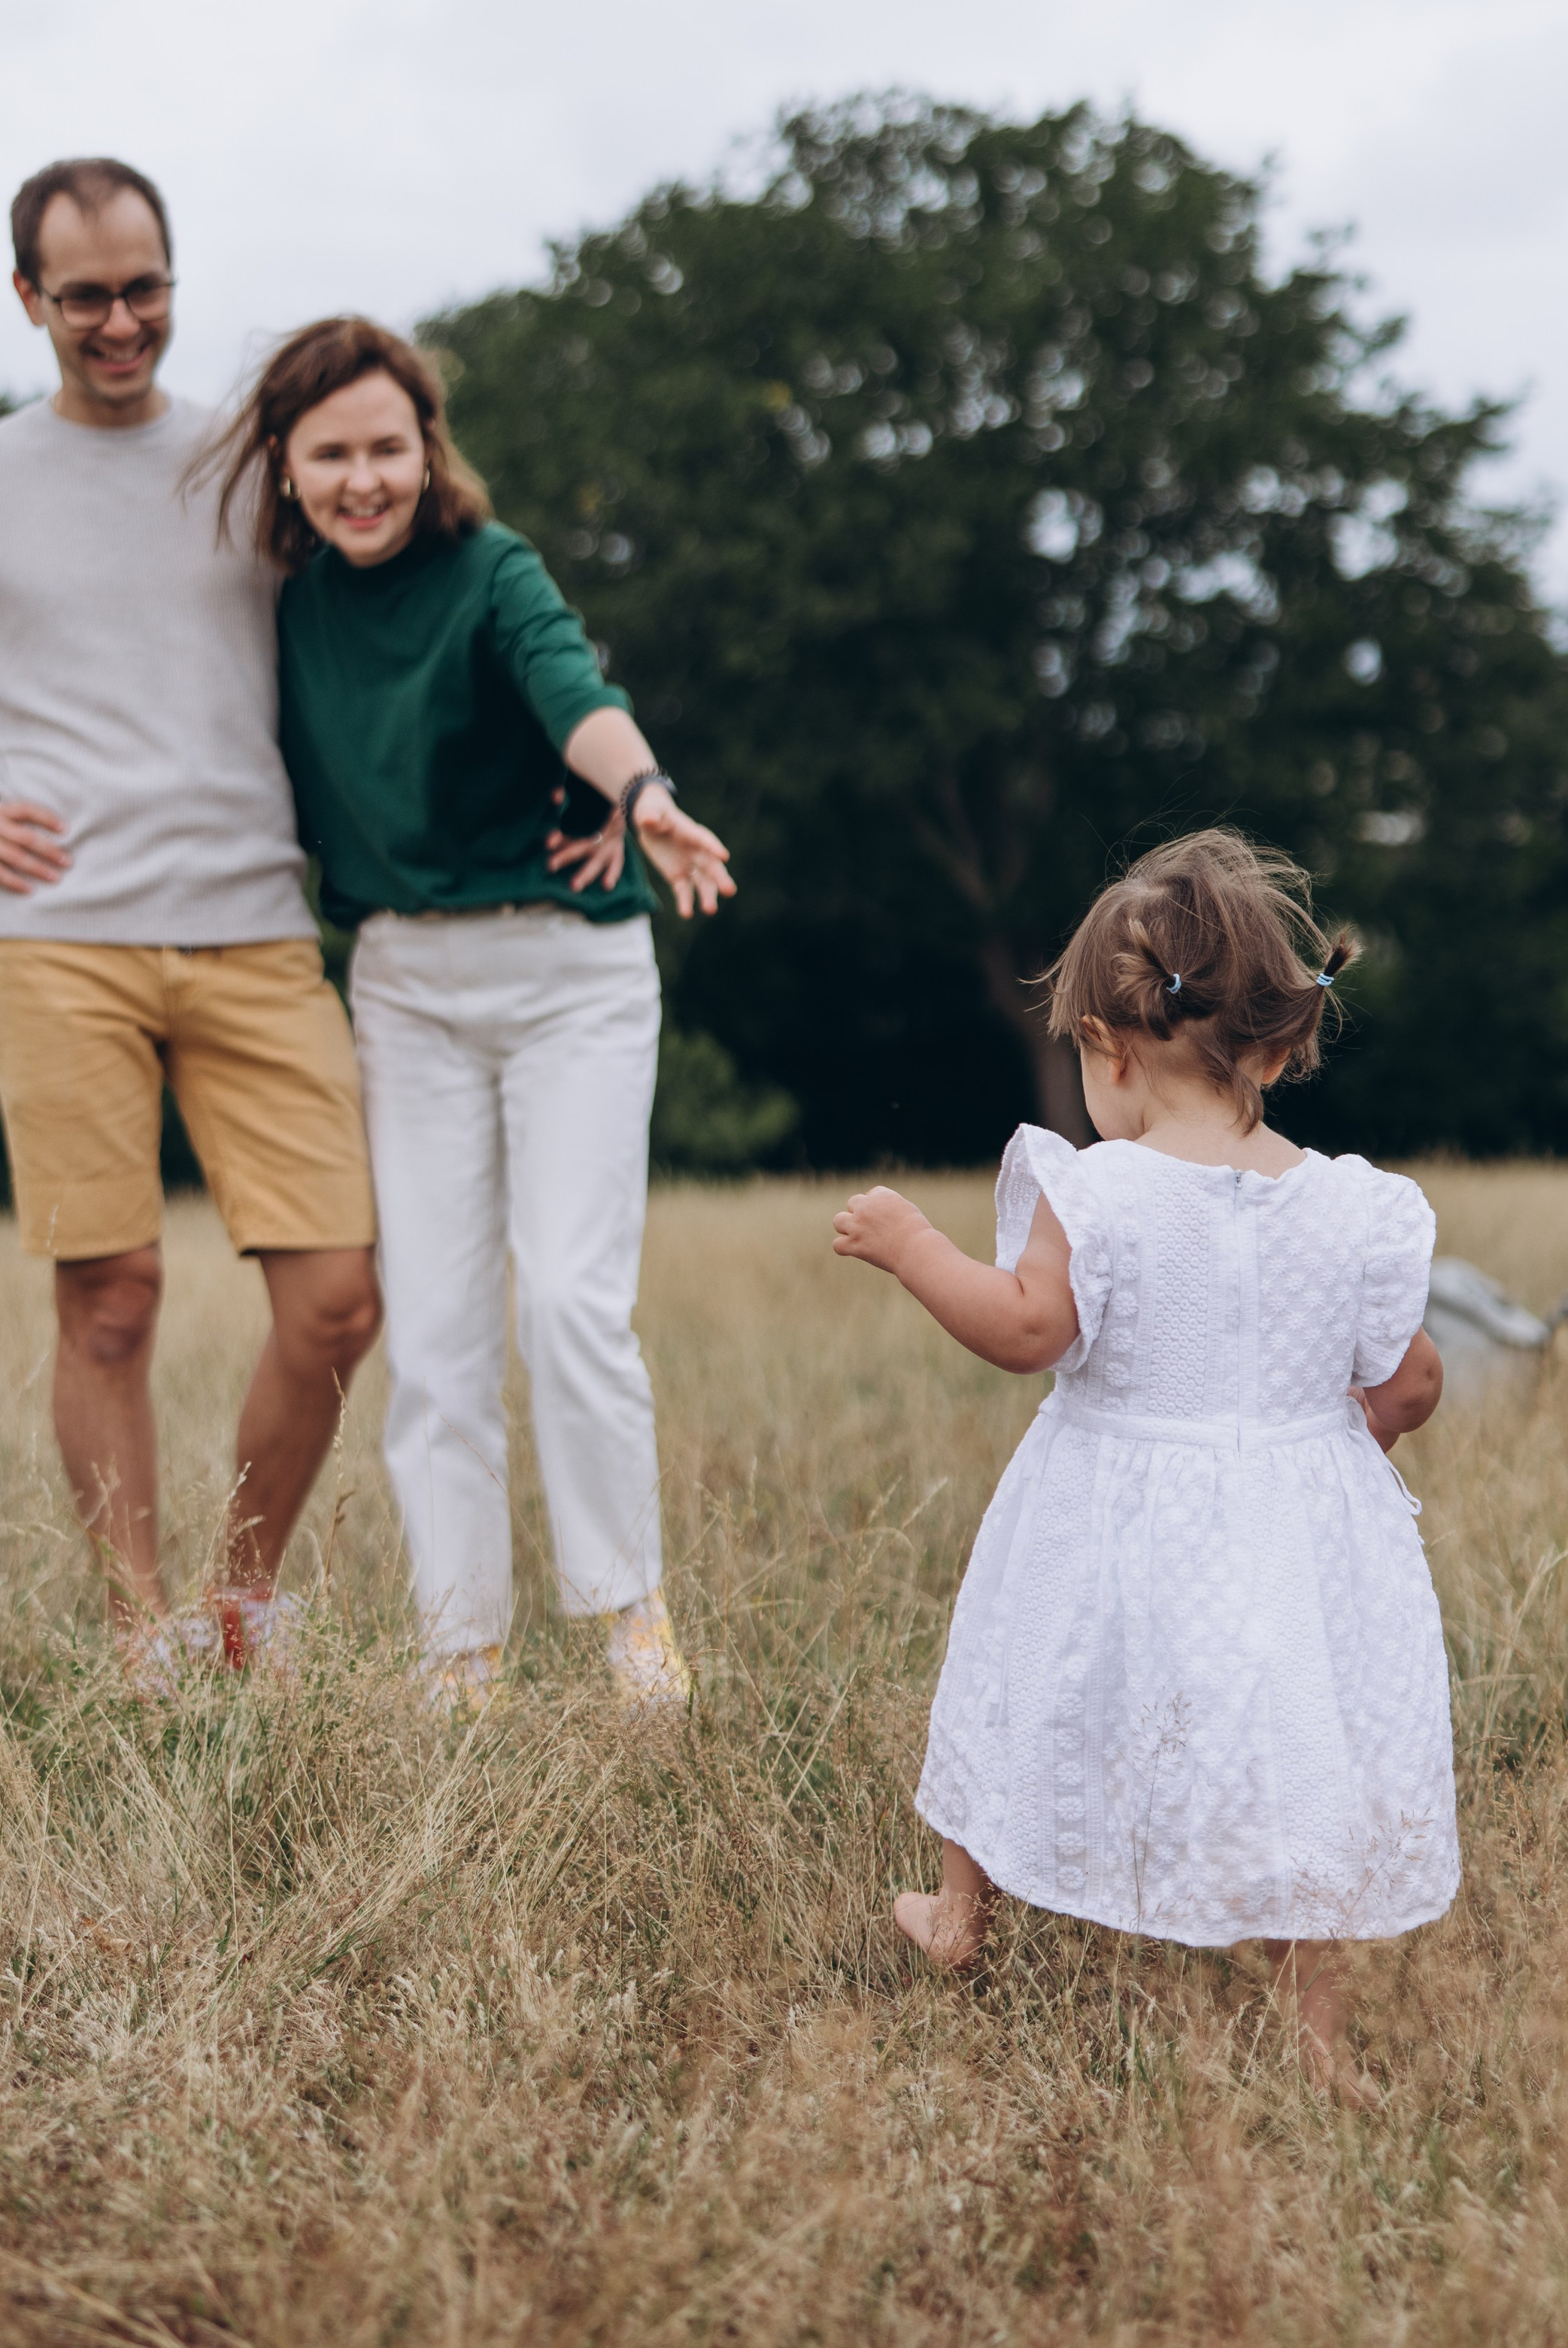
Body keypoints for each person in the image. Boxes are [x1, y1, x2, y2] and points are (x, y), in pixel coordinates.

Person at [0, 159, 381, 1688]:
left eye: (146, 284)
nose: (123, 320)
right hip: (53, 942)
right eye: (87, 293)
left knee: (338, 1297)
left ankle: (241, 1604)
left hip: (253, 930)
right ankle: (141, 1637)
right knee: (110, 1299)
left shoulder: (250, 459)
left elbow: (397, 611)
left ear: (174, 276)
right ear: (28, 298)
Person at [833, 827, 1457, 2100]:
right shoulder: (1348, 1205)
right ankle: (1317, 2038)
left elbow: (1025, 1330)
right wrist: (1337, 1440)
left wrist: (910, 1247)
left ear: (1111, 1052)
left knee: (1024, 1682)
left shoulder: (1101, 1190)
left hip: (1108, 1520)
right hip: (1291, 1526)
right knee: (1298, 1750)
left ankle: (959, 1913)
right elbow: (1415, 1377)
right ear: (1280, 1047)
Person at [211, 315, 734, 1712]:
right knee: (436, 1331)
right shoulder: (282, 607)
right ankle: (463, 1652)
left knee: (567, 1299)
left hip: (570, 975)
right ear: (286, 462)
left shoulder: (489, 569)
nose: (363, 477)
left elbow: (575, 687)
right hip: (407, 987)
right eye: (332, 453)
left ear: (426, 448)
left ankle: (633, 1623)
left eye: (389, 446)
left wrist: (640, 797)